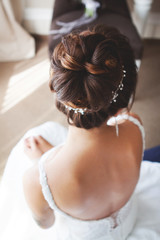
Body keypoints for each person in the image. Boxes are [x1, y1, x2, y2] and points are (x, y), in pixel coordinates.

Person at [21, 25, 160, 240]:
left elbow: (46, 224)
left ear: (61, 91)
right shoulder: (134, 126)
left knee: (42, 133)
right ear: (122, 97)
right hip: (130, 219)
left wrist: (45, 166)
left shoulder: (36, 181)